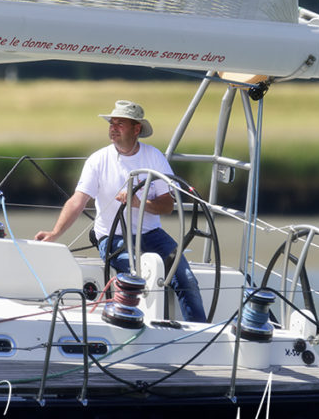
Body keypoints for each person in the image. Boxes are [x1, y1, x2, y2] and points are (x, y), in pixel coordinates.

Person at [36, 100, 206, 323]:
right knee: (143, 273)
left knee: (186, 278)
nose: (113, 128)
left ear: (137, 129)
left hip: (153, 235)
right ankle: (141, 327)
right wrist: (55, 233)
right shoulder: (98, 160)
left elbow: (167, 206)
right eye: (111, 123)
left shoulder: (154, 157)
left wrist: (138, 202)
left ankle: (199, 333)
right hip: (112, 237)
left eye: (120, 124)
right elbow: (78, 200)